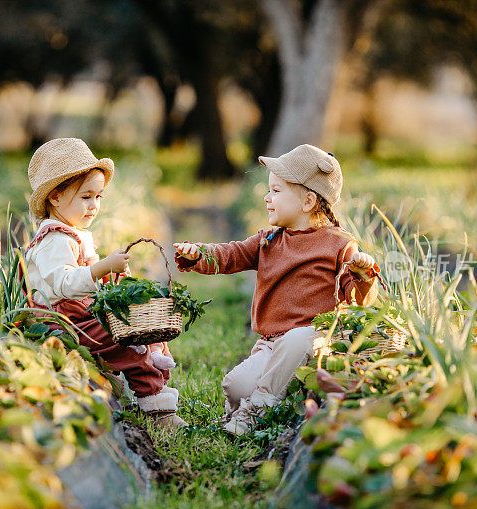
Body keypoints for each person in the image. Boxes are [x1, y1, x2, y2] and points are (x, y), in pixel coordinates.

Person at [173, 144, 379, 436]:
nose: (268, 199)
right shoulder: (269, 240)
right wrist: (199, 254)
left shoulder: (339, 245)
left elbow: (357, 301)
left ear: (308, 201)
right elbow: (231, 255)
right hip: (273, 344)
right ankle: (271, 404)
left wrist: (362, 275)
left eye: (276, 192)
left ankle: (256, 411)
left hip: (315, 344)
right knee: (234, 386)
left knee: (299, 337)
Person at [24, 138, 186, 429]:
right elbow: (64, 284)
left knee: (143, 333)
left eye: (99, 197)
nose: (94, 205)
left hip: (81, 313)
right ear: (56, 198)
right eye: (86, 197)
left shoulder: (73, 234)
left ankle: (143, 386)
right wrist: (101, 268)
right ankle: (158, 411)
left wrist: (112, 277)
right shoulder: (54, 240)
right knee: (129, 343)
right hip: (63, 321)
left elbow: (86, 280)